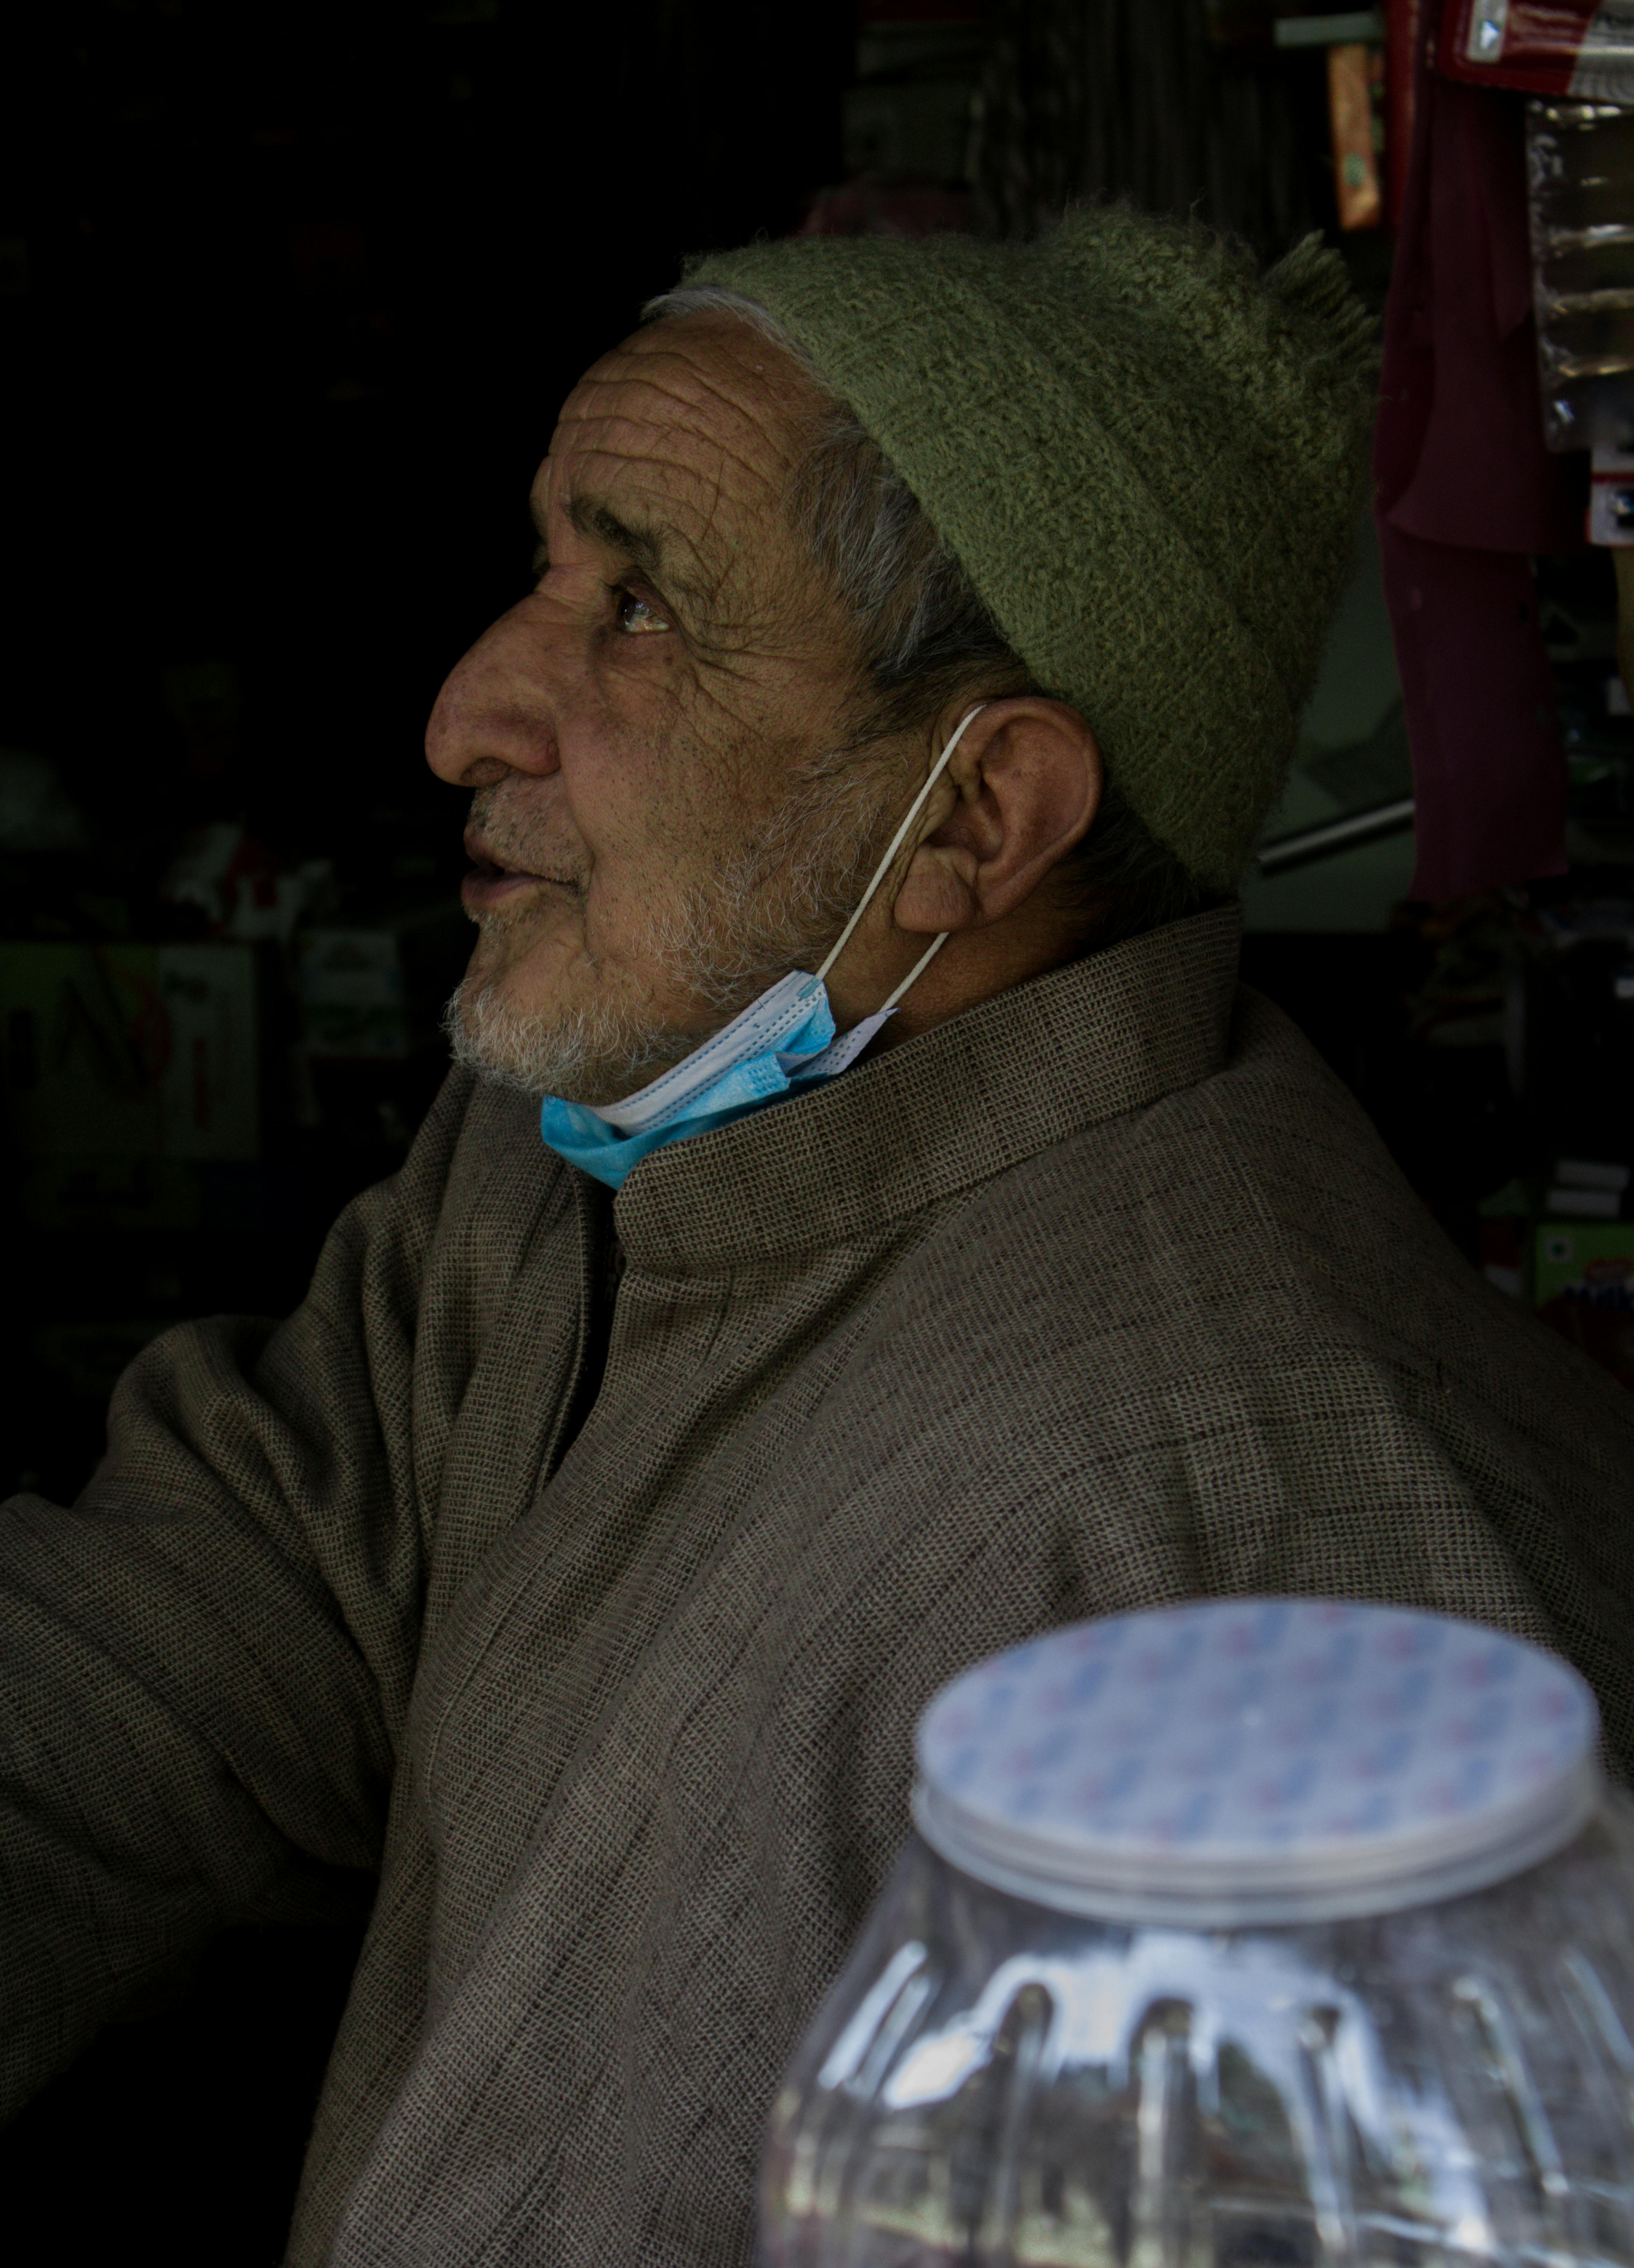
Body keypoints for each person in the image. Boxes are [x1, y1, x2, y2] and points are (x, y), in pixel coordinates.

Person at [4, 208, 1632, 2268]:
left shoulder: (1250, 1555)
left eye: (640, 611)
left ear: (974, 818)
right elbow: (206, 1631)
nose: (466, 713)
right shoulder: (582, 1151)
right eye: (544, 571)